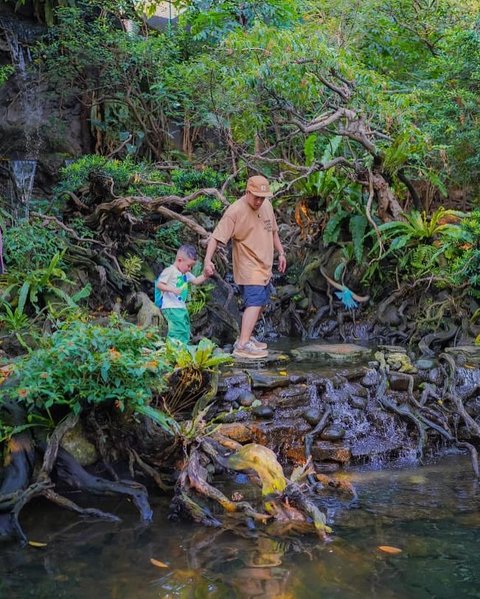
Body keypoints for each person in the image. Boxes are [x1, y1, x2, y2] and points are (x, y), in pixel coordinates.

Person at [203, 175, 286, 359]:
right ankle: (242, 345)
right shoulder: (235, 211)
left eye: (262, 197)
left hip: (264, 266)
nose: (259, 201)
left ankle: (246, 337)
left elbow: (273, 232)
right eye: (256, 196)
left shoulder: (266, 206)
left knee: (262, 302)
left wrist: (281, 253)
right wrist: (207, 261)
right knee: (255, 302)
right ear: (247, 192)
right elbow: (216, 238)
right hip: (248, 266)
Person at [155, 244, 209, 345]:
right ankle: (173, 351)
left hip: (181, 307)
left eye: (191, 267)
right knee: (177, 330)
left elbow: (196, 281)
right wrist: (172, 289)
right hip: (171, 307)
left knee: (185, 329)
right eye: (189, 266)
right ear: (180, 260)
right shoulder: (169, 271)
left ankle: (182, 351)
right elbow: (159, 285)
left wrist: (206, 275)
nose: (189, 269)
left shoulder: (185, 274)